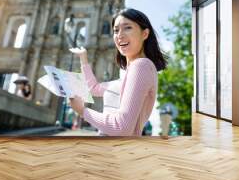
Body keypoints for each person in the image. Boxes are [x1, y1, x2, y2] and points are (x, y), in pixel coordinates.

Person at [69, 8, 167, 136]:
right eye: (116, 30)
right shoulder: (131, 73)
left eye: (127, 28)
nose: (120, 35)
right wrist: (84, 58)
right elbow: (94, 88)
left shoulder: (141, 66)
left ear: (145, 34)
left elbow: (122, 127)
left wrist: (83, 111)